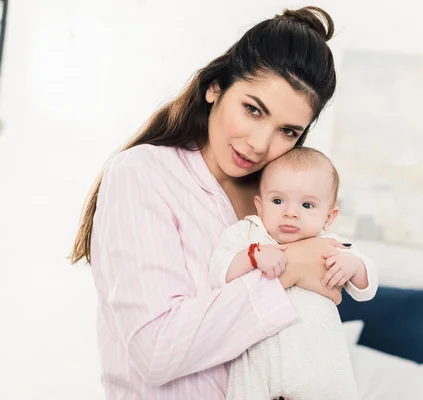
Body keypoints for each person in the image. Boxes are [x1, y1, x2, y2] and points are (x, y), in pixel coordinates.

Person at [70, 6, 347, 399]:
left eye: (287, 131)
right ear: (215, 87)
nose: (259, 144)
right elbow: (157, 351)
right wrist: (292, 269)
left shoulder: (274, 203)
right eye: (253, 110)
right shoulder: (143, 174)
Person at [208, 147, 378, 400]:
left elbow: (367, 289)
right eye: (277, 201)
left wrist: (354, 265)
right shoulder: (247, 234)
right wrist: (252, 255)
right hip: (256, 362)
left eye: (307, 205)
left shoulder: (331, 244)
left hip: (316, 364)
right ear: (260, 205)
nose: (290, 212)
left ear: (329, 217)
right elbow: (219, 274)